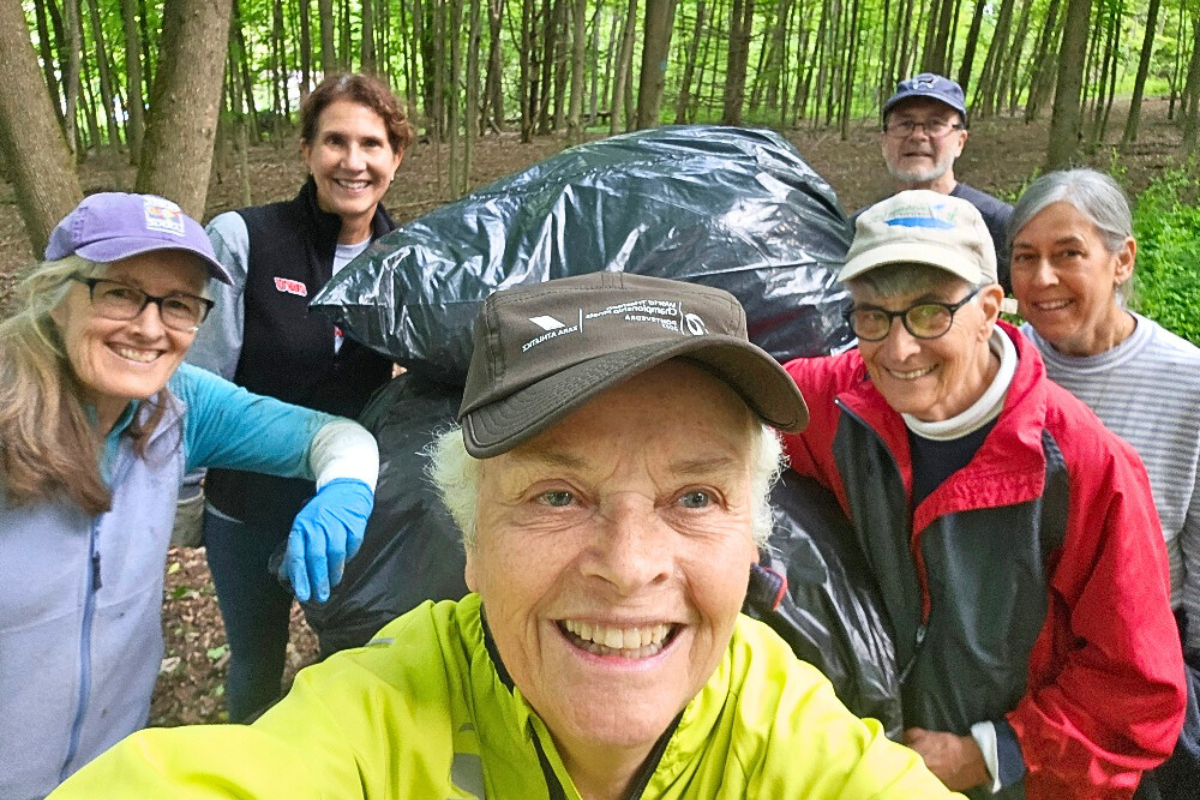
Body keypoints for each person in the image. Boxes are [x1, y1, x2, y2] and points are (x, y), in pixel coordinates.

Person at [49, 273, 959, 800]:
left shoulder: (781, 724)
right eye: (559, 495)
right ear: (472, 542)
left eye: (694, 498)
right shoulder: (383, 718)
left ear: (752, 541)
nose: (631, 564)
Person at [782, 190, 1186, 799]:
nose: (899, 349)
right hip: (882, 776)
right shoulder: (842, 404)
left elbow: (1140, 687)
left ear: (990, 308)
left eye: (929, 313)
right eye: (873, 315)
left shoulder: (1082, 466)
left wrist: (992, 754)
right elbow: (733, 405)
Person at [0, 192, 379, 800]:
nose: (149, 328)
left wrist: (346, 487)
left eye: (178, 304)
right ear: (55, 293)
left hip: (114, 776)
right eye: (119, 291)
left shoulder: (179, 406)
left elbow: (335, 437)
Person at [186, 72, 412, 722]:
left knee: (350, 659)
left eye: (372, 143)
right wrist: (186, 499)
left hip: (347, 511)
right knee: (257, 664)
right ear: (308, 150)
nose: (353, 160)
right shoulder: (243, 239)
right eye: (335, 140)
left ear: (395, 158)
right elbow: (199, 385)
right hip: (244, 511)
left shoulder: (407, 261)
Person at [1009, 168, 1200, 798]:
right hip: (1017, 651)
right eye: (1025, 258)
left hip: (1134, 659)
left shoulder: (1187, 382)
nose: (1042, 280)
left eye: (1068, 255)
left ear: (1122, 260)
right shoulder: (996, 366)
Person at [854, 73, 1014, 292]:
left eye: (935, 124)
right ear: (884, 141)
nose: (918, 136)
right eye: (904, 124)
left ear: (960, 141)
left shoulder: (999, 225)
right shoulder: (862, 228)